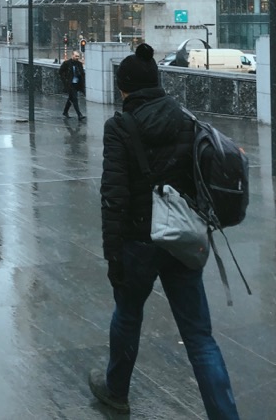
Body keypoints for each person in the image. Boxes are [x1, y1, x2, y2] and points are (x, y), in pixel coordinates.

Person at [89, 43, 239, 418]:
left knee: (127, 315)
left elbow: (114, 196)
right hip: (182, 238)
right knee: (200, 337)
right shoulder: (186, 119)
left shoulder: (120, 127)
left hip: (139, 241)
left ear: (124, 88)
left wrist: (112, 255)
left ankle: (116, 390)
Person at [58, 50, 86, 121]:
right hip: (70, 84)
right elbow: (60, 72)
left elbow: (82, 74)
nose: (77, 58)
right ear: (72, 55)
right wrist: (65, 80)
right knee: (75, 99)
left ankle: (65, 111)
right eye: (76, 56)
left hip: (77, 84)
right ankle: (79, 114)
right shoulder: (67, 63)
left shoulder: (79, 64)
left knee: (71, 98)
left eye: (78, 56)